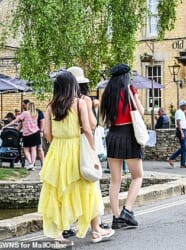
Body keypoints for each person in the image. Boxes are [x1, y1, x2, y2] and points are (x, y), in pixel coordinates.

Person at [37, 71, 114, 246]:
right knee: (88, 189)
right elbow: (87, 129)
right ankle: (96, 230)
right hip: (76, 149)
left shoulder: (50, 106)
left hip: (57, 151)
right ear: (73, 86)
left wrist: (59, 141)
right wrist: (93, 152)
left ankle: (58, 236)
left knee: (57, 192)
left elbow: (47, 134)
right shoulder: (78, 103)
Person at [100, 63, 144, 230]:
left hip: (112, 135)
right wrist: (137, 98)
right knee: (138, 176)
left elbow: (104, 118)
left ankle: (116, 217)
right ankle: (128, 210)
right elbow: (140, 113)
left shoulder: (108, 93)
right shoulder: (129, 91)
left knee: (115, 180)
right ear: (126, 76)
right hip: (128, 135)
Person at [3, 102, 41, 170]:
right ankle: (33, 165)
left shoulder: (25, 113)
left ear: (28, 106)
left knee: (26, 150)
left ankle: (30, 164)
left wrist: (6, 126)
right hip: (36, 133)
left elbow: (15, 121)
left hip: (27, 134)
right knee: (33, 149)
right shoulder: (36, 113)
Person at [67, 66, 97, 131]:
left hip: (67, 137)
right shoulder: (85, 99)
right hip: (83, 136)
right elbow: (92, 124)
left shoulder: (59, 100)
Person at [167, 100, 186, 168]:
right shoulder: (179, 112)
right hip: (181, 130)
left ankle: (173, 159)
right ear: (182, 106)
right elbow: (178, 123)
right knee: (184, 148)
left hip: (183, 130)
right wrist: (182, 133)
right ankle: (180, 163)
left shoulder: (181, 112)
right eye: (185, 105)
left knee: (183, 148)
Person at [22, 99, 45, 166]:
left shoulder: (38, 111)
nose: (23, 106)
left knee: (39, 148)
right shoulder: (26, 112)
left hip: (37, 132)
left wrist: (41, 131)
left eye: (23, 105)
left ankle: (43, 164)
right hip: (29, 133)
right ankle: (32, 164)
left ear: (27, 104)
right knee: (30, 149)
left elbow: (42, 121)